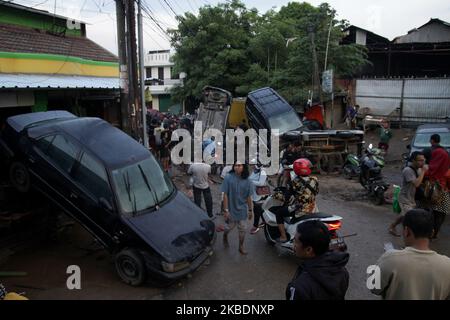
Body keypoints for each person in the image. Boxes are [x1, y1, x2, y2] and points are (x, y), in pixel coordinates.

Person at [372, 209, 450, 300]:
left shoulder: (390, 259)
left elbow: (373, 287)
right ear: (432, 233)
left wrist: (381, 262)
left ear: (406, 231)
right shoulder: (447, 265)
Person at [286, 220, 349, 300]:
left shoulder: (299, 288)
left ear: (308, 250)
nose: (293, 244)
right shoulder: (343, 271)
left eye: (295, 241)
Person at [273, 159, 319, 243]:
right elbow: (316, 192)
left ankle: (283, 236)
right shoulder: (314, 179)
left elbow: (286, 198)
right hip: (313, 208)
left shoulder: (294, 183)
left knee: (279, 213)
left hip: (300, 210)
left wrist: (275, 194)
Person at [389, 152, 428, 236]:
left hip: (411, 197)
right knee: (409, 220)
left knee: (403, 215)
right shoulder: (407, 170)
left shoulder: (418, 169)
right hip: (405, 198)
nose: (422, 162)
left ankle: (392, 226)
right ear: (413, 160)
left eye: (423, 160)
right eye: (420, 160)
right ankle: (407, 242)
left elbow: (419, 182)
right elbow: (416, 183)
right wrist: (423, 171)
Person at [221, 162, 253, 255]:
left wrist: (250, 210)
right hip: (230, 209)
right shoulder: (228, 177)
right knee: (228, 228)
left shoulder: (248, 181)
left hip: (242, 210)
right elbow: (225, 195)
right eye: (235, 165)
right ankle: (225, 236)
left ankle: (241, 246)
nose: (237, 167)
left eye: (239, 165)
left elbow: (248, 197)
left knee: (243, 230)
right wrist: (226, 210)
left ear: (244, 167)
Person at [425, 134, 450, 239]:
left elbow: (430, 171)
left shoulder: (436, 154)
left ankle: (430, 232)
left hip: (435, 190)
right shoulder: (447, 170)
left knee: (432, 212)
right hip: (444, 192)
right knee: (441, 213)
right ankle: (435, 232)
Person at [248, 161, 268, 235]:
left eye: (253, 164)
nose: (252, 166)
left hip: (260, 194)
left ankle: (255, 226)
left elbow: (261, 183)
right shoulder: (255, 171)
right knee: (260, 209)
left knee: (257, 211)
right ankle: (264, 221)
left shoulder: (263, 172)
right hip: (254, 194)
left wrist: (250, 181)